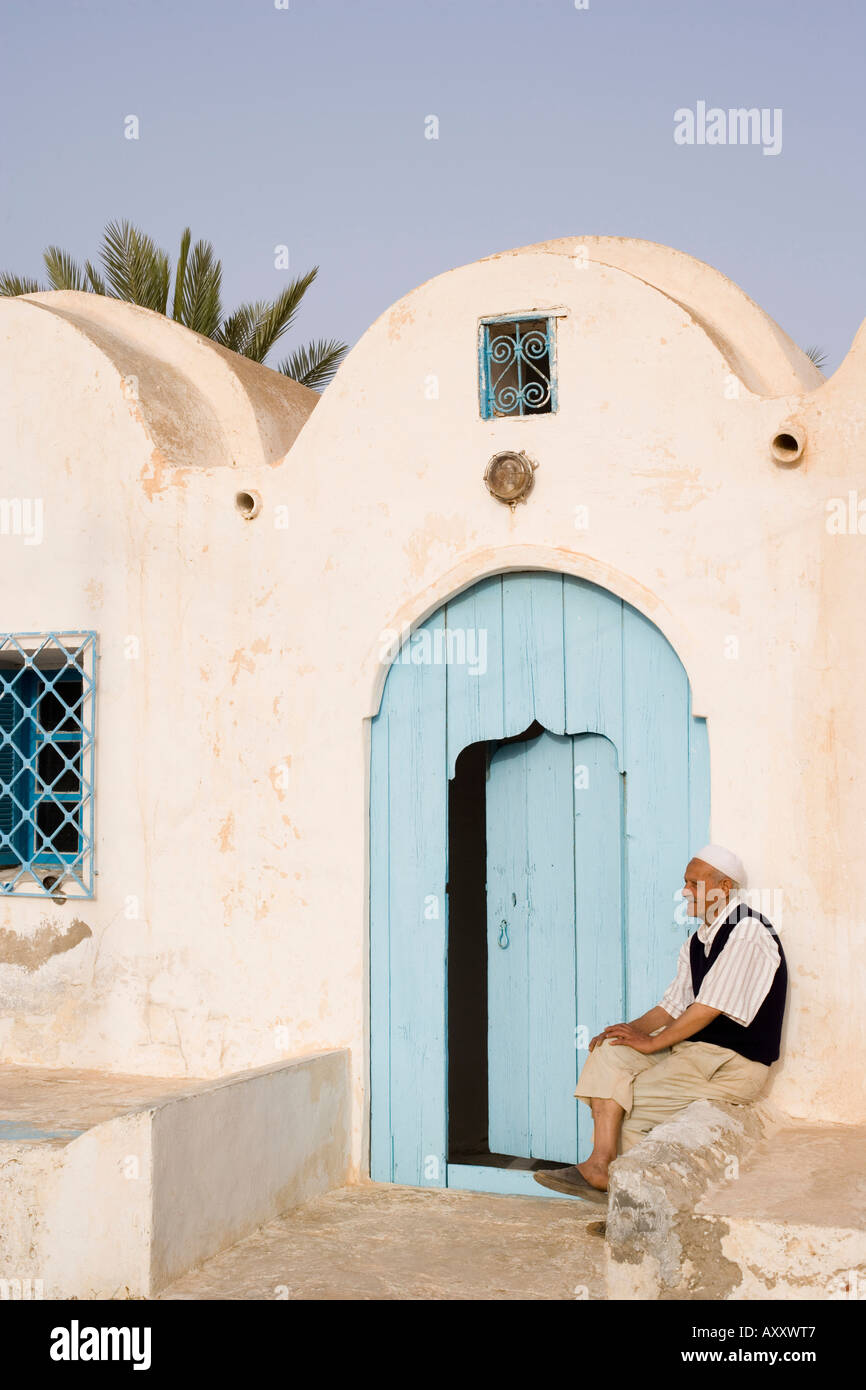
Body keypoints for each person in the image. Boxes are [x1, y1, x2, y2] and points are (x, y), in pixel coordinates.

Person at [533, 845, 787, 1202]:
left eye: (694, 884)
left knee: (631, 1101)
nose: (685, 892)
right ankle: (600, 1165)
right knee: (612, 1051)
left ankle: (637, 1207)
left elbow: (707, 1008)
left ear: (724, 888)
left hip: (732, 1064)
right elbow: (672, 1006)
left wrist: (653, 1043)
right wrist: (628, 1029)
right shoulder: (697, 942)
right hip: (697, 1054)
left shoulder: (747, 931)